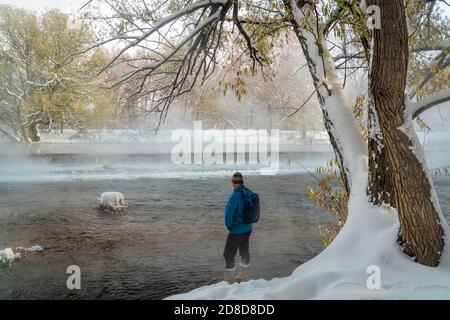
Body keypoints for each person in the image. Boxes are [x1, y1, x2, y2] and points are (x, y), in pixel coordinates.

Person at [223, 172, 252, 284]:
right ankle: (244, 276)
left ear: (233, 183)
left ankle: (231, 279)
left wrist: (230, 226)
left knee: (228, 254)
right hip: (248, 229)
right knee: (244, 251)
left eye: (232, 182)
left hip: (237, 230)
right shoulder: (248, 192)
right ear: (242, 182)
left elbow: (228, 215)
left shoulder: (235, 195)